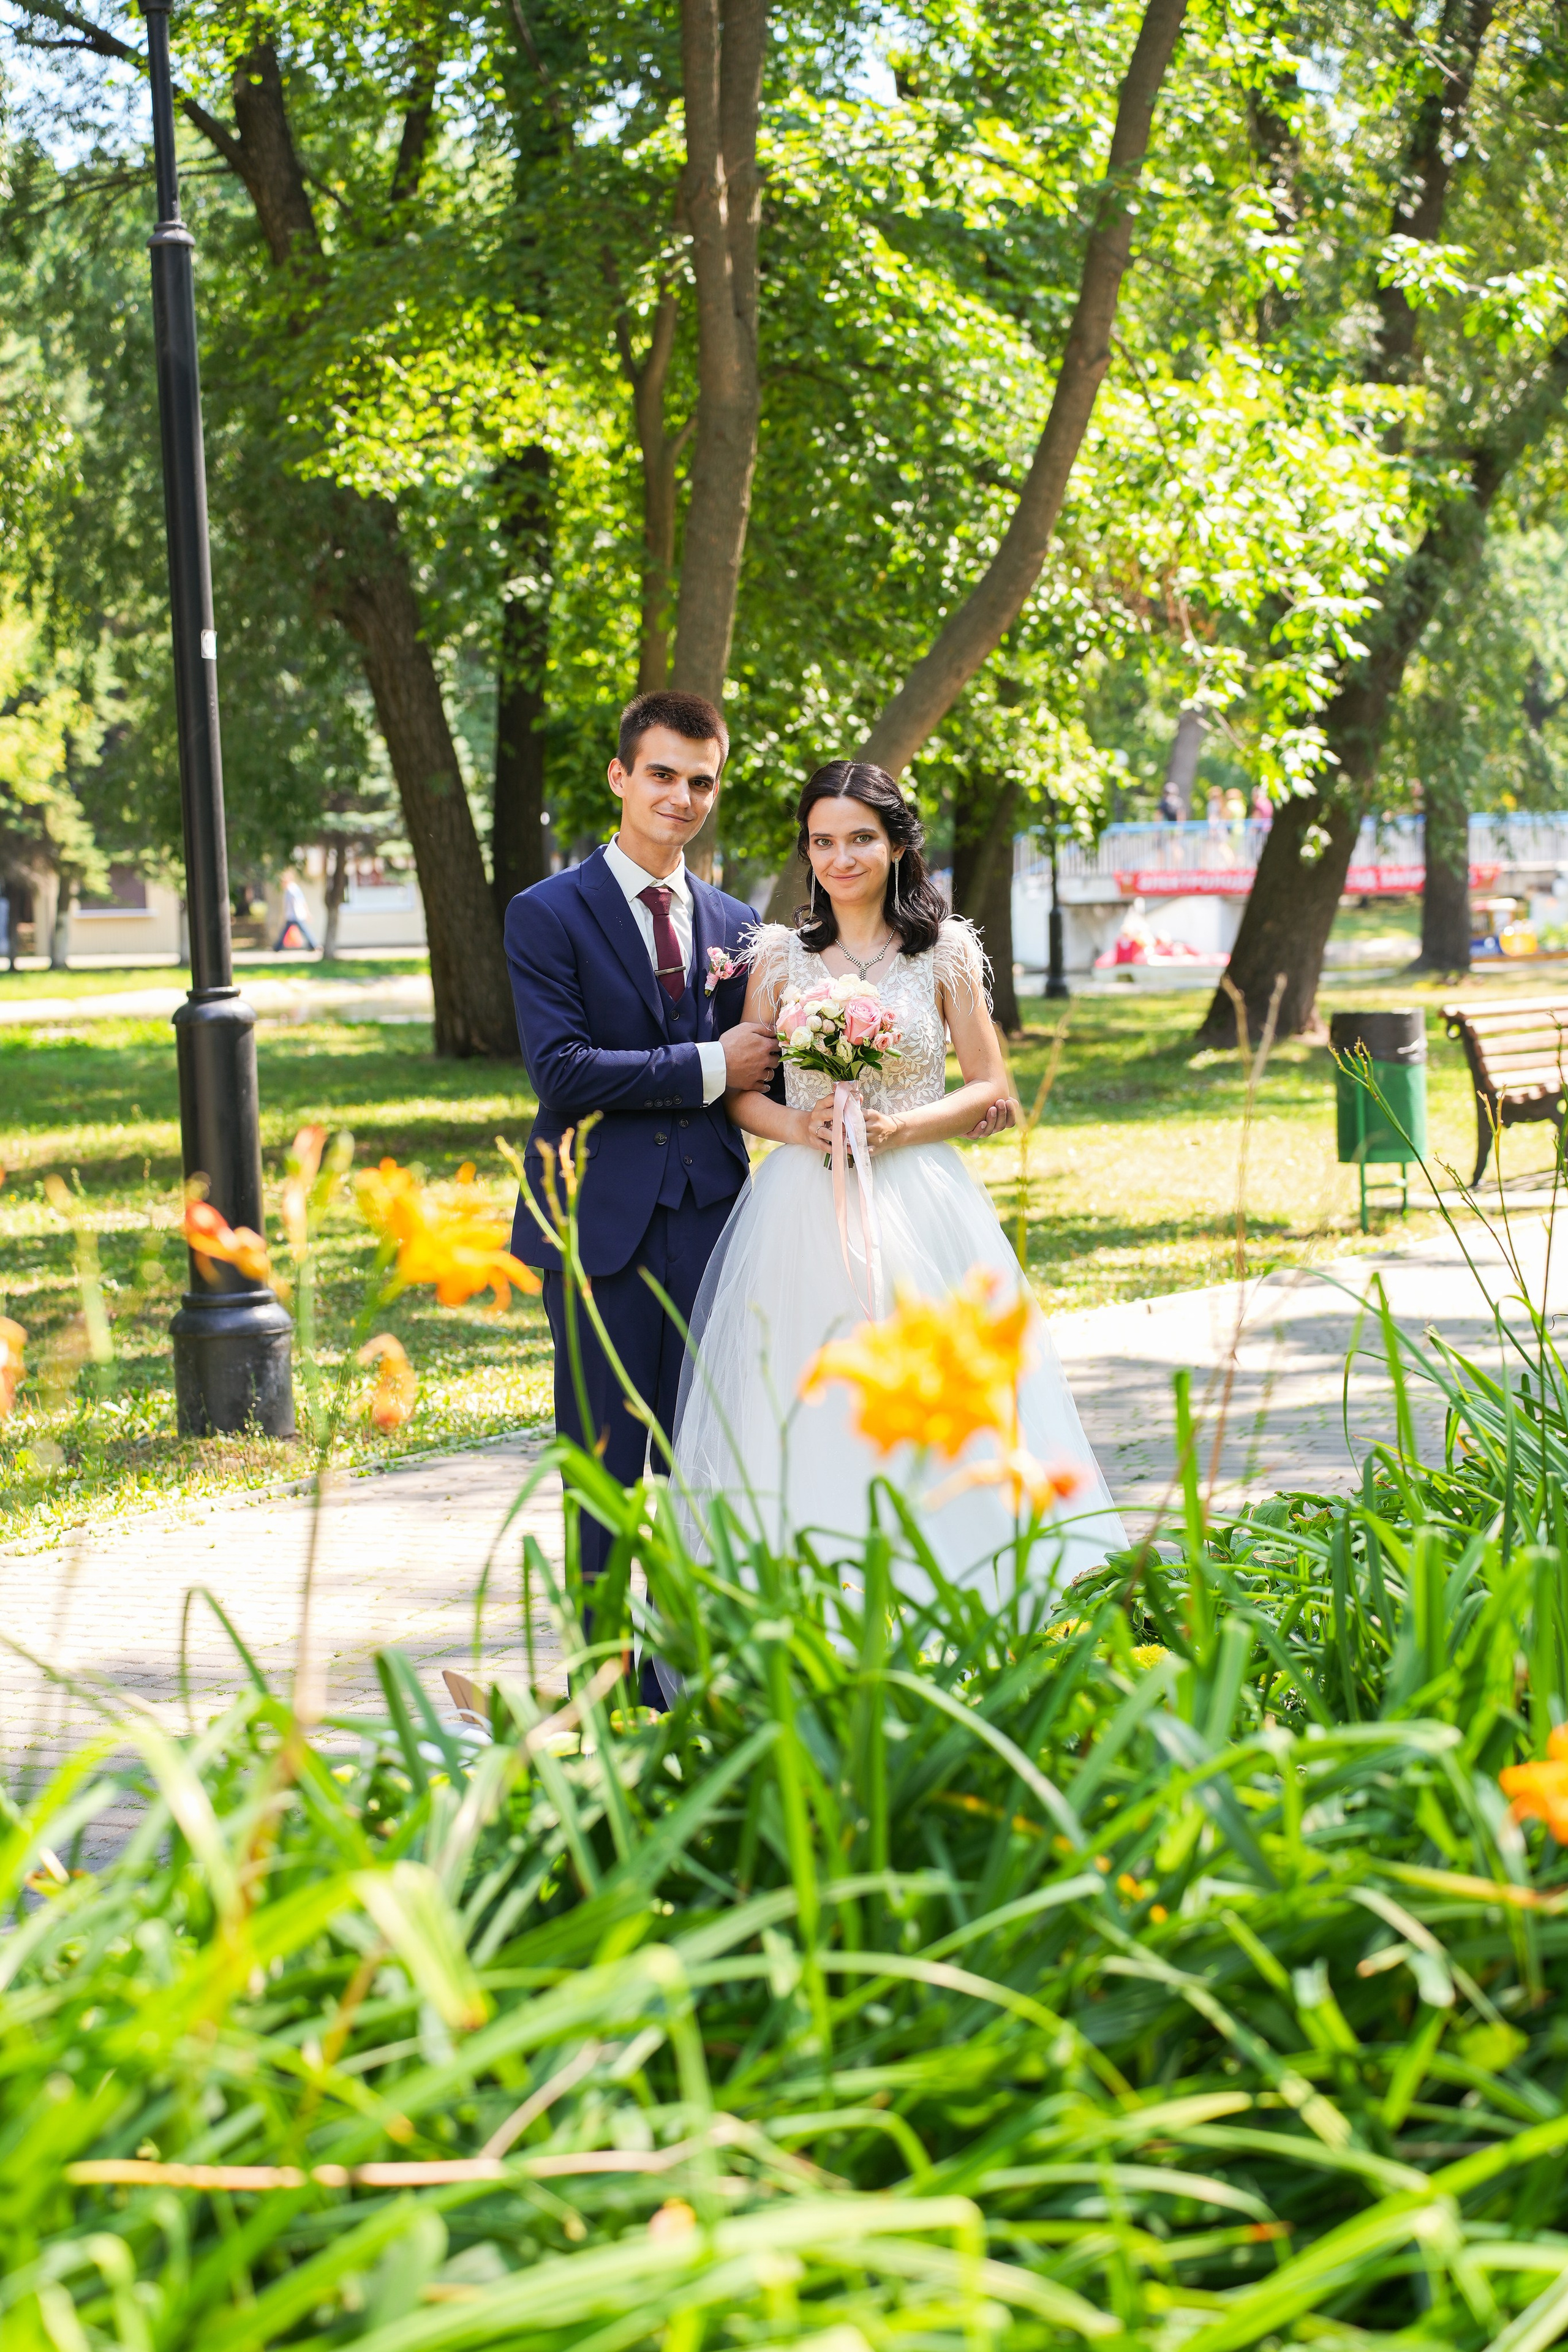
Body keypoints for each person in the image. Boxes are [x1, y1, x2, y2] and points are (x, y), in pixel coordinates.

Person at [671, 761, 1125, 1608]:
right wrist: (799, 1126)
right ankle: (819, 1606)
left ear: (896, 844)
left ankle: (968, 1592)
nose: (840, 858)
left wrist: (899, 1128)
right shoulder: (778, 958)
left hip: (921, 1198)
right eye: (823, 842)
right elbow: (739, 1094)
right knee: (808, 1399)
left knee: (948, 1396)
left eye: (860, 839)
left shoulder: (944, 953)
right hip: (803, 1204)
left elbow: (992, 1087)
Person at [503, 690, 779, 1694]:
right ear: (620, 777)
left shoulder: (740, 926)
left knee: (712, 1466)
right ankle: (603, 1692)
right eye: (662, 774)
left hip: (716, 1226)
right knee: (604, 1474)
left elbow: (767, 1074)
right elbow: (564, 1072)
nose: (681, 797)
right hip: (597, 1228)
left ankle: (692, 1684)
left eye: (701, 781)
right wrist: (710, 1063)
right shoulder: (546, 913)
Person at [273, 870, 316, 953]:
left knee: (303, 931)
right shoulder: (288, 890)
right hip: (291, 916)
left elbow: (301, 902)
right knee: (287, 932)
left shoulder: (293, 889)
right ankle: (277, 947)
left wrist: (307, 913)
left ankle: (313, 945)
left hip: (296, 916)